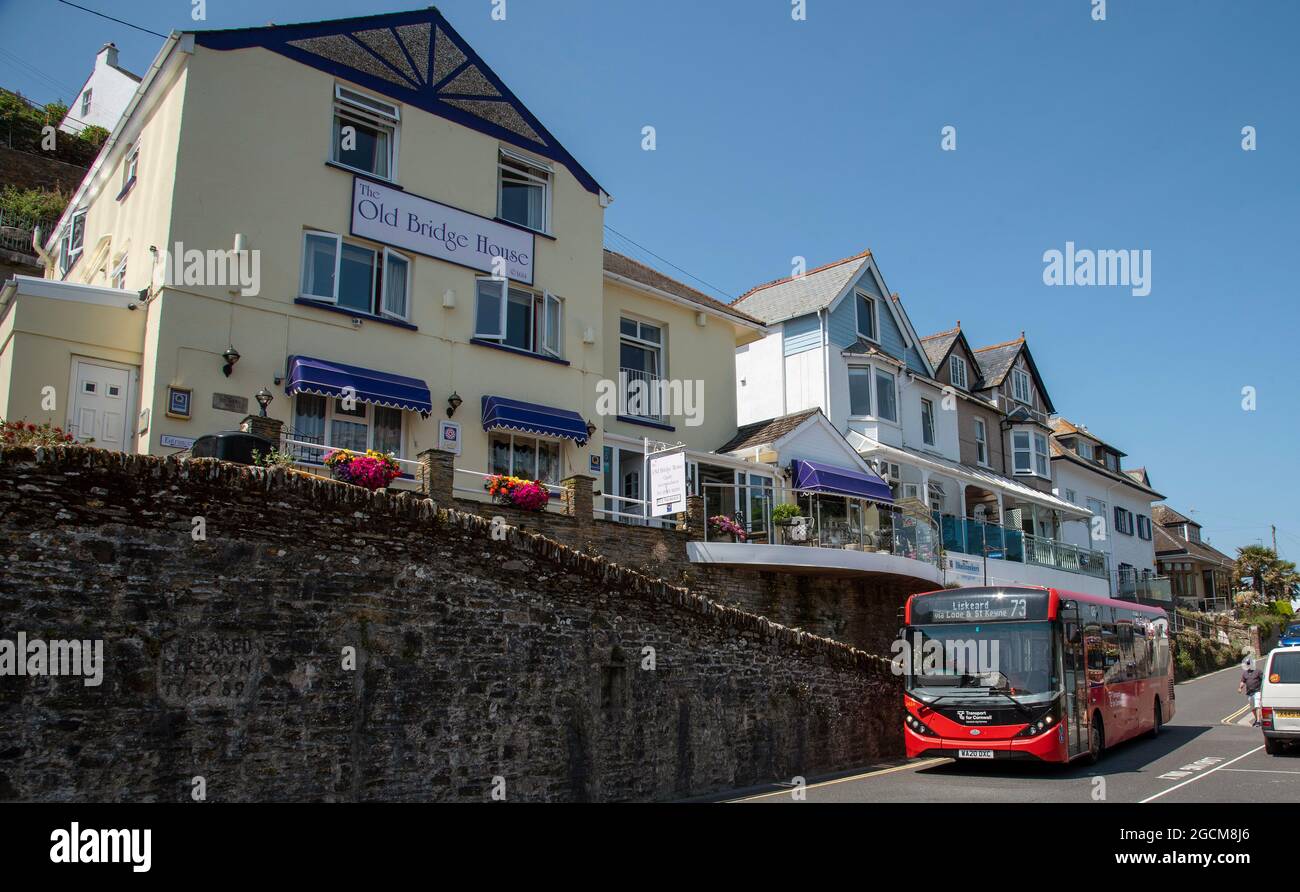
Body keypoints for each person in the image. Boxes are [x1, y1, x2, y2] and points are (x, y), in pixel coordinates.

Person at [1238, 657, 1263, 727]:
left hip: (1257, 691)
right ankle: (1256, 719)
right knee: (1253, 708)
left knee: (1257, 705)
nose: (1248, 665)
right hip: (1249, 693)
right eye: (1247, 664)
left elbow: (1263, 680)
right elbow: (1243, 681)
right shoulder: (1245, 673)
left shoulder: (1258, 671)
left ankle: (1258, 721)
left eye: (1249, 663)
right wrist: (1240, 688)